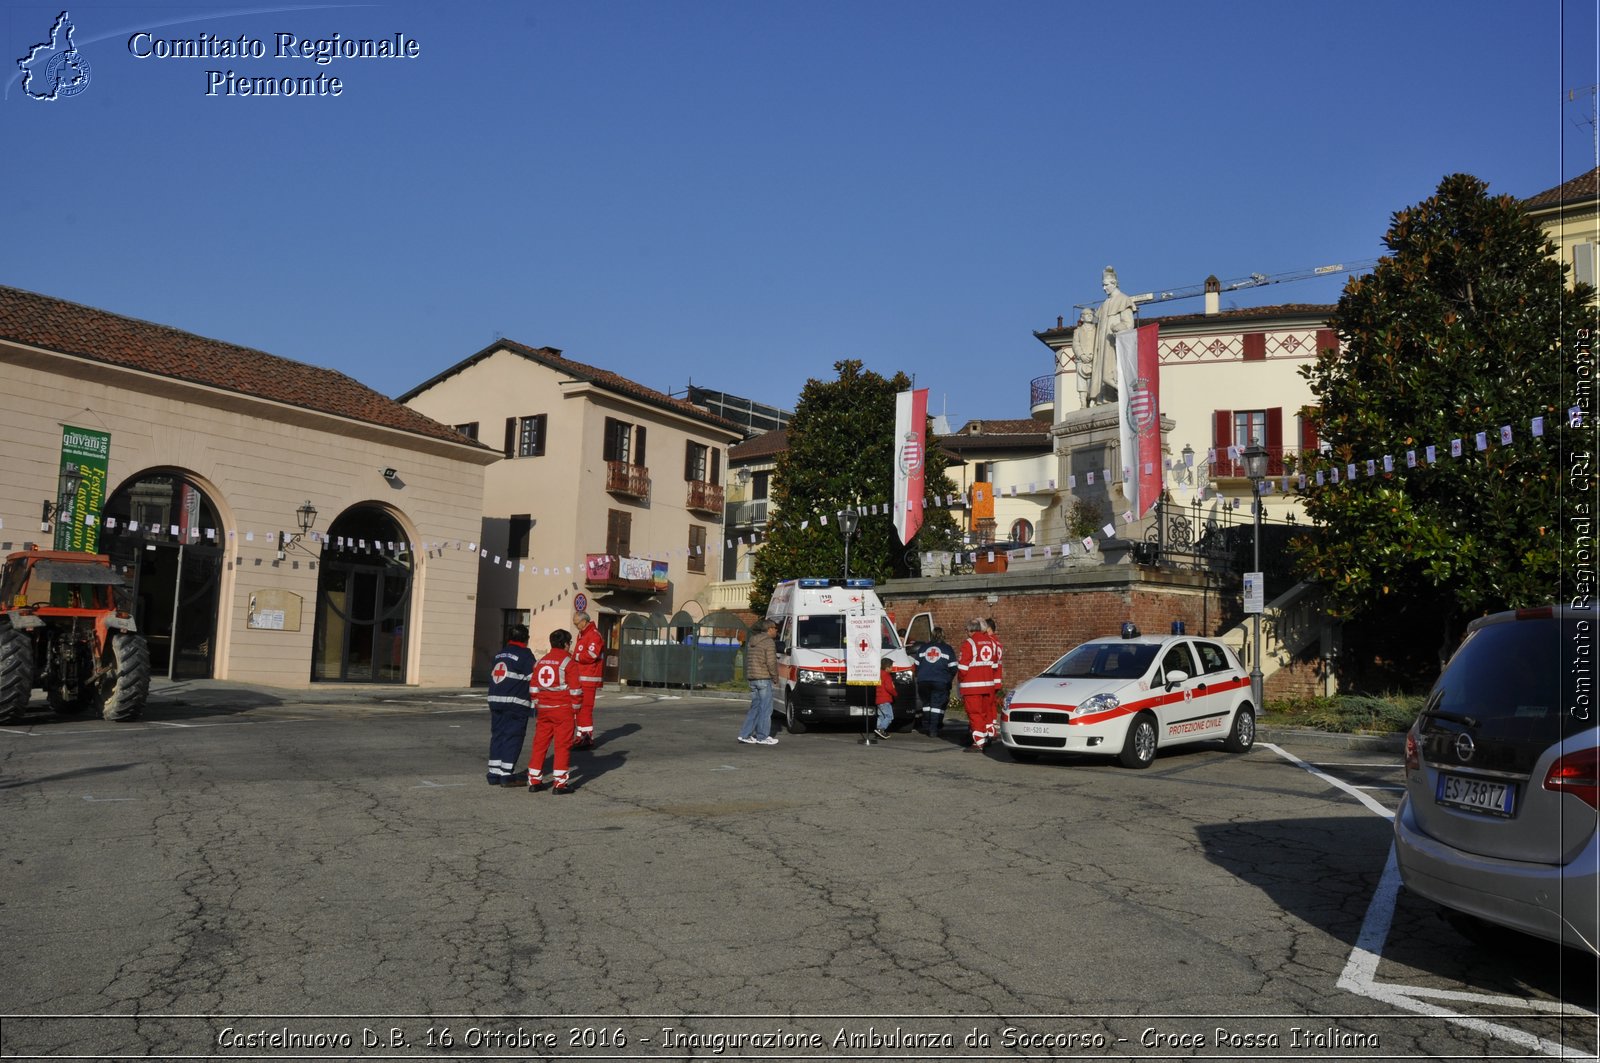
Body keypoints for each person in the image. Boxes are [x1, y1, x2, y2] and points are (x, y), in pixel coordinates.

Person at [526, 628, 582, 794]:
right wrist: (575, 709)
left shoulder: (540, 662)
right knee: (562, 746)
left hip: (544, 710)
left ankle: (534, 780)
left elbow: (533, 688)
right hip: (562, 710)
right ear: (565, 644)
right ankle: (560, 784)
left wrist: (538, 704)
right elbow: (576, 691)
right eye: (569, 643)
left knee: (539, 744)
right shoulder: (568, 663)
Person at [485, 624, 534, 786]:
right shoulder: (525, 655)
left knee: (498, 735)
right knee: (513, 737)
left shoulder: (499, 654)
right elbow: (534, 679)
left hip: (495, 700)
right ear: (526, 639)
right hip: (515, 703)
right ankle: (506, 775)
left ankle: (493, 773)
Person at [1087, 266, 1137, 406]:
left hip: (1114, 344)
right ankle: (1106, 397)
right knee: (1102, 372)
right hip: (1102, 344)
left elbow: (1128, 323)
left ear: (1114, 283)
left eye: (1106, 285)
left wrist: (1117, 328)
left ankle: (1124, 393)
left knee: (1110, 374)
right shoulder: (1105, 304)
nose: (1104, 288)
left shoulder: (1123, 299)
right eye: (1103, 285)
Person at [957, 617, 1000, 751]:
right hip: (988, 685)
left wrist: (960, 680)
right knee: (984, 713)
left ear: (970, 630)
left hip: (972, 686)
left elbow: (963, 668)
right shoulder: (991, 642)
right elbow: (994, 664)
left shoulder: (969, 643)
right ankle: (985, 737)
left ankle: (978, 742)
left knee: (975, 713)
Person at [737, 619, 780, 745]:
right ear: (770, 629)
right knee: (766, 708)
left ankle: (744, 734)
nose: (777, 631)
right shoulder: (769, 642)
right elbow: (771, 662)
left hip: (752, 678)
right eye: (775, 628)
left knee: (755, 707)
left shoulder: (752, 640)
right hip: (763, 678)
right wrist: (775, 677)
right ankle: (762, 736)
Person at [914, 626, 958, 737]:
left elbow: (916, 665)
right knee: (936, 706)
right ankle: (933, 729)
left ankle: (926, 726)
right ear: (943, 636)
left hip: (923, 680)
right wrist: (949, 678)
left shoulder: (923, 648)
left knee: (926, 704)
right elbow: (953, 667)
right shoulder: (947, 649)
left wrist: (920, 675)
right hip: (940, 681)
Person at [571, 610, 604, 749]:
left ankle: (586, 739)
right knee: (579, 710)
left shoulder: (594, 635)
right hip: (582, 678)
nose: (576, 626)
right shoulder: (583, 634)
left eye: (576, 623)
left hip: (588, 679)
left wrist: (575, 656)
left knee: (585, 710)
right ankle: (580, 737)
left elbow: (591, 655)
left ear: (584, 621)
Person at [984, 617, 1005, 744]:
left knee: (987, 706)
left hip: (990, 678)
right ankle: (992, 729)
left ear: (989, 629)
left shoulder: (989, 642)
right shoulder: (997, 642)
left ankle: (989, 731)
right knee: (991, 705)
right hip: (996, 678)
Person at [873, 657, 897, 741]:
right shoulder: (887, 676)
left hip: (878, 699)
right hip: (885, 699)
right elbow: (889, 688)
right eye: (891, 667)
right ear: (887, 668)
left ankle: (878, 732)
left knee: (881, 716)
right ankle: (881, 729)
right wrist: (895, 693)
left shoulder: (878, 675)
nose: (892, 668)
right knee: (889, 716)